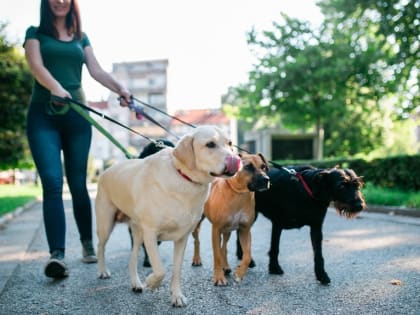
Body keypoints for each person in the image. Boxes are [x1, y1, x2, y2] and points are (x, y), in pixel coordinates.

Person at [23, 0, 131, 278]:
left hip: (77, 116)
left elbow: (95, 70)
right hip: (43, 114)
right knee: (51, 181)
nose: (60, 1)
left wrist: (120, 88)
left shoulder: (81, 38)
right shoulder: (34, 33)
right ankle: (56, 255)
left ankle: (86, 244)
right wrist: (56, 88)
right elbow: (36, 66)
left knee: (78, 182)